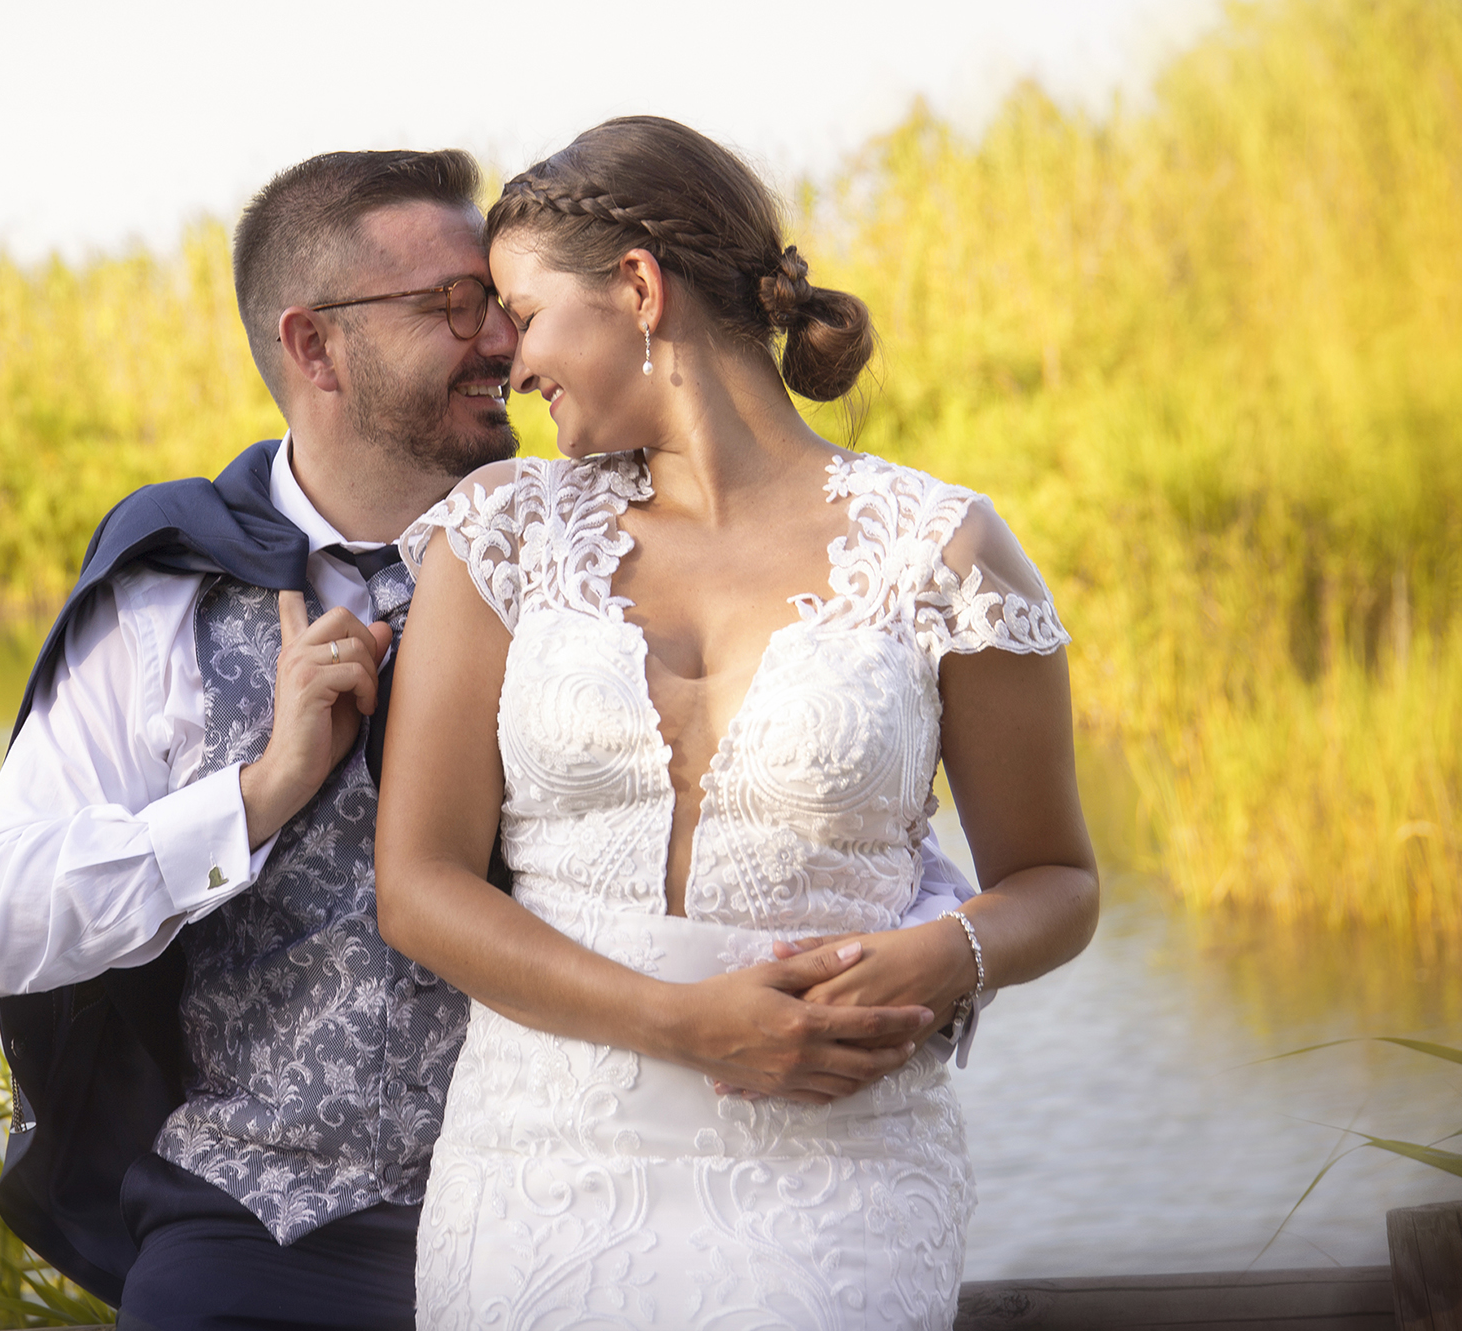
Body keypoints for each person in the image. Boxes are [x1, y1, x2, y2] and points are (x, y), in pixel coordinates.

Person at [0, 147, 980, 1331]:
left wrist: (919, 964)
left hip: (593, 1186)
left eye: (504, 302)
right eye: (453, 306)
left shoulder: (587, 546)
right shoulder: (168, 598)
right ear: (313, 346)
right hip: (269, 1225)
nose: (505, 342)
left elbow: (802, 800)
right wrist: (255, 792)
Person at [374, 117, 1100, 1330]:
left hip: (838, 1165)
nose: (506, 359)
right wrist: (681, 1022)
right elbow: (418, 886)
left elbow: (1054, 878)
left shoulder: (943, 549)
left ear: (639, 290)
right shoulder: (497, 532)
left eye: (523, 311)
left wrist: (946, 954)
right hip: (539, 1163)